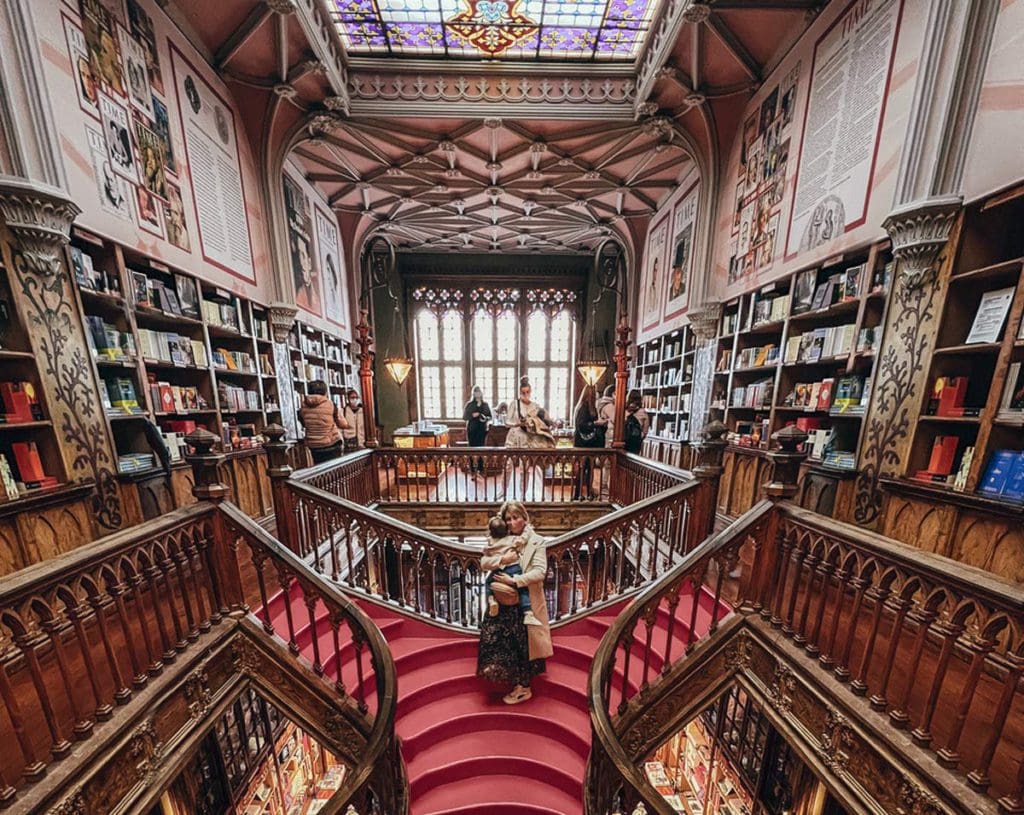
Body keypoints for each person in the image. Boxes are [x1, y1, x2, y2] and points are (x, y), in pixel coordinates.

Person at [477, 501, 552, 705]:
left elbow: (539, 572)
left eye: (516, 517)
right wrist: (502, 560)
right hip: (502, 604)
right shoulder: (500, 539)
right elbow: (484, 562)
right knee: (497, 641)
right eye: (508, 518)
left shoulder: (537, 541)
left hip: (523, 604)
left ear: (525, 517)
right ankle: (505, 678)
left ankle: (523, 687)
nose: (512, 522)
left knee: (523, 646)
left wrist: (514, 580)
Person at [482, 515, 538, 624]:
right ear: (507, 530)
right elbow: (523, 539)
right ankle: (528, 611)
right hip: (515, 568)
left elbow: (485, 556)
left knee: (488, 582)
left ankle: (491, 599)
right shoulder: (513, 540)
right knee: (523, 589)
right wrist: (527, 528)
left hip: (499, 571)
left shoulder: (490, 544)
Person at [298, 380, 349, 464]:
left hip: (313, 445)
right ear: (325, 392)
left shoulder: (303, 406)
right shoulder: (331, 405)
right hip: (331, 443)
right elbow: (342, 424)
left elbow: (304, 423)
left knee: (320, 468)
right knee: (335, 469)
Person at [572, 385, 603, 500]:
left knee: (586, 468)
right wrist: (596, 424)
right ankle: (581, 494)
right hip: (585, 442)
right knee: (584, 468)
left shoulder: (582, 406)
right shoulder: (585, 407)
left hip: (583, 442)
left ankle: (583, 493)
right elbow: (582, 425)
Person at [505, 377, 554, 449]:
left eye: (527, 392)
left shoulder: (535, 406)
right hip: (516, 438)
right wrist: (517, 424)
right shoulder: (515, 404)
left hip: (531, 438)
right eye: (523, 392)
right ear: (520, 392)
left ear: (530, 391)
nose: (525, 394)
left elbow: (541, 421)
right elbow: (506, 423)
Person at [463, 385, 492, 472]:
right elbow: (464, 417)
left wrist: (484, 417)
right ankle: (473, 469)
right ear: (473, 393)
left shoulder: (485, 404)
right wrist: (472, 415)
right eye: (475, 392)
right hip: (472, 430)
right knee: (472, 448)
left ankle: (480, 468)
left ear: (481, 393)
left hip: (482, 430)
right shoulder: (469, 404)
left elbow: (489, 416)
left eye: (479, 392)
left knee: (481, 448)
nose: (477, 394)